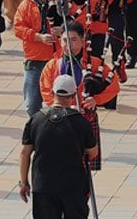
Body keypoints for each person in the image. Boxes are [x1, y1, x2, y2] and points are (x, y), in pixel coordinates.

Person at [18, 74, 98, 219]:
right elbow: (93, 152)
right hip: (73, 185)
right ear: (73, 95)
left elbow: (25, 153)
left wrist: (23, 182)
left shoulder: (36, 119)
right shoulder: (81, 122)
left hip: (43, 185)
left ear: (52, 93)